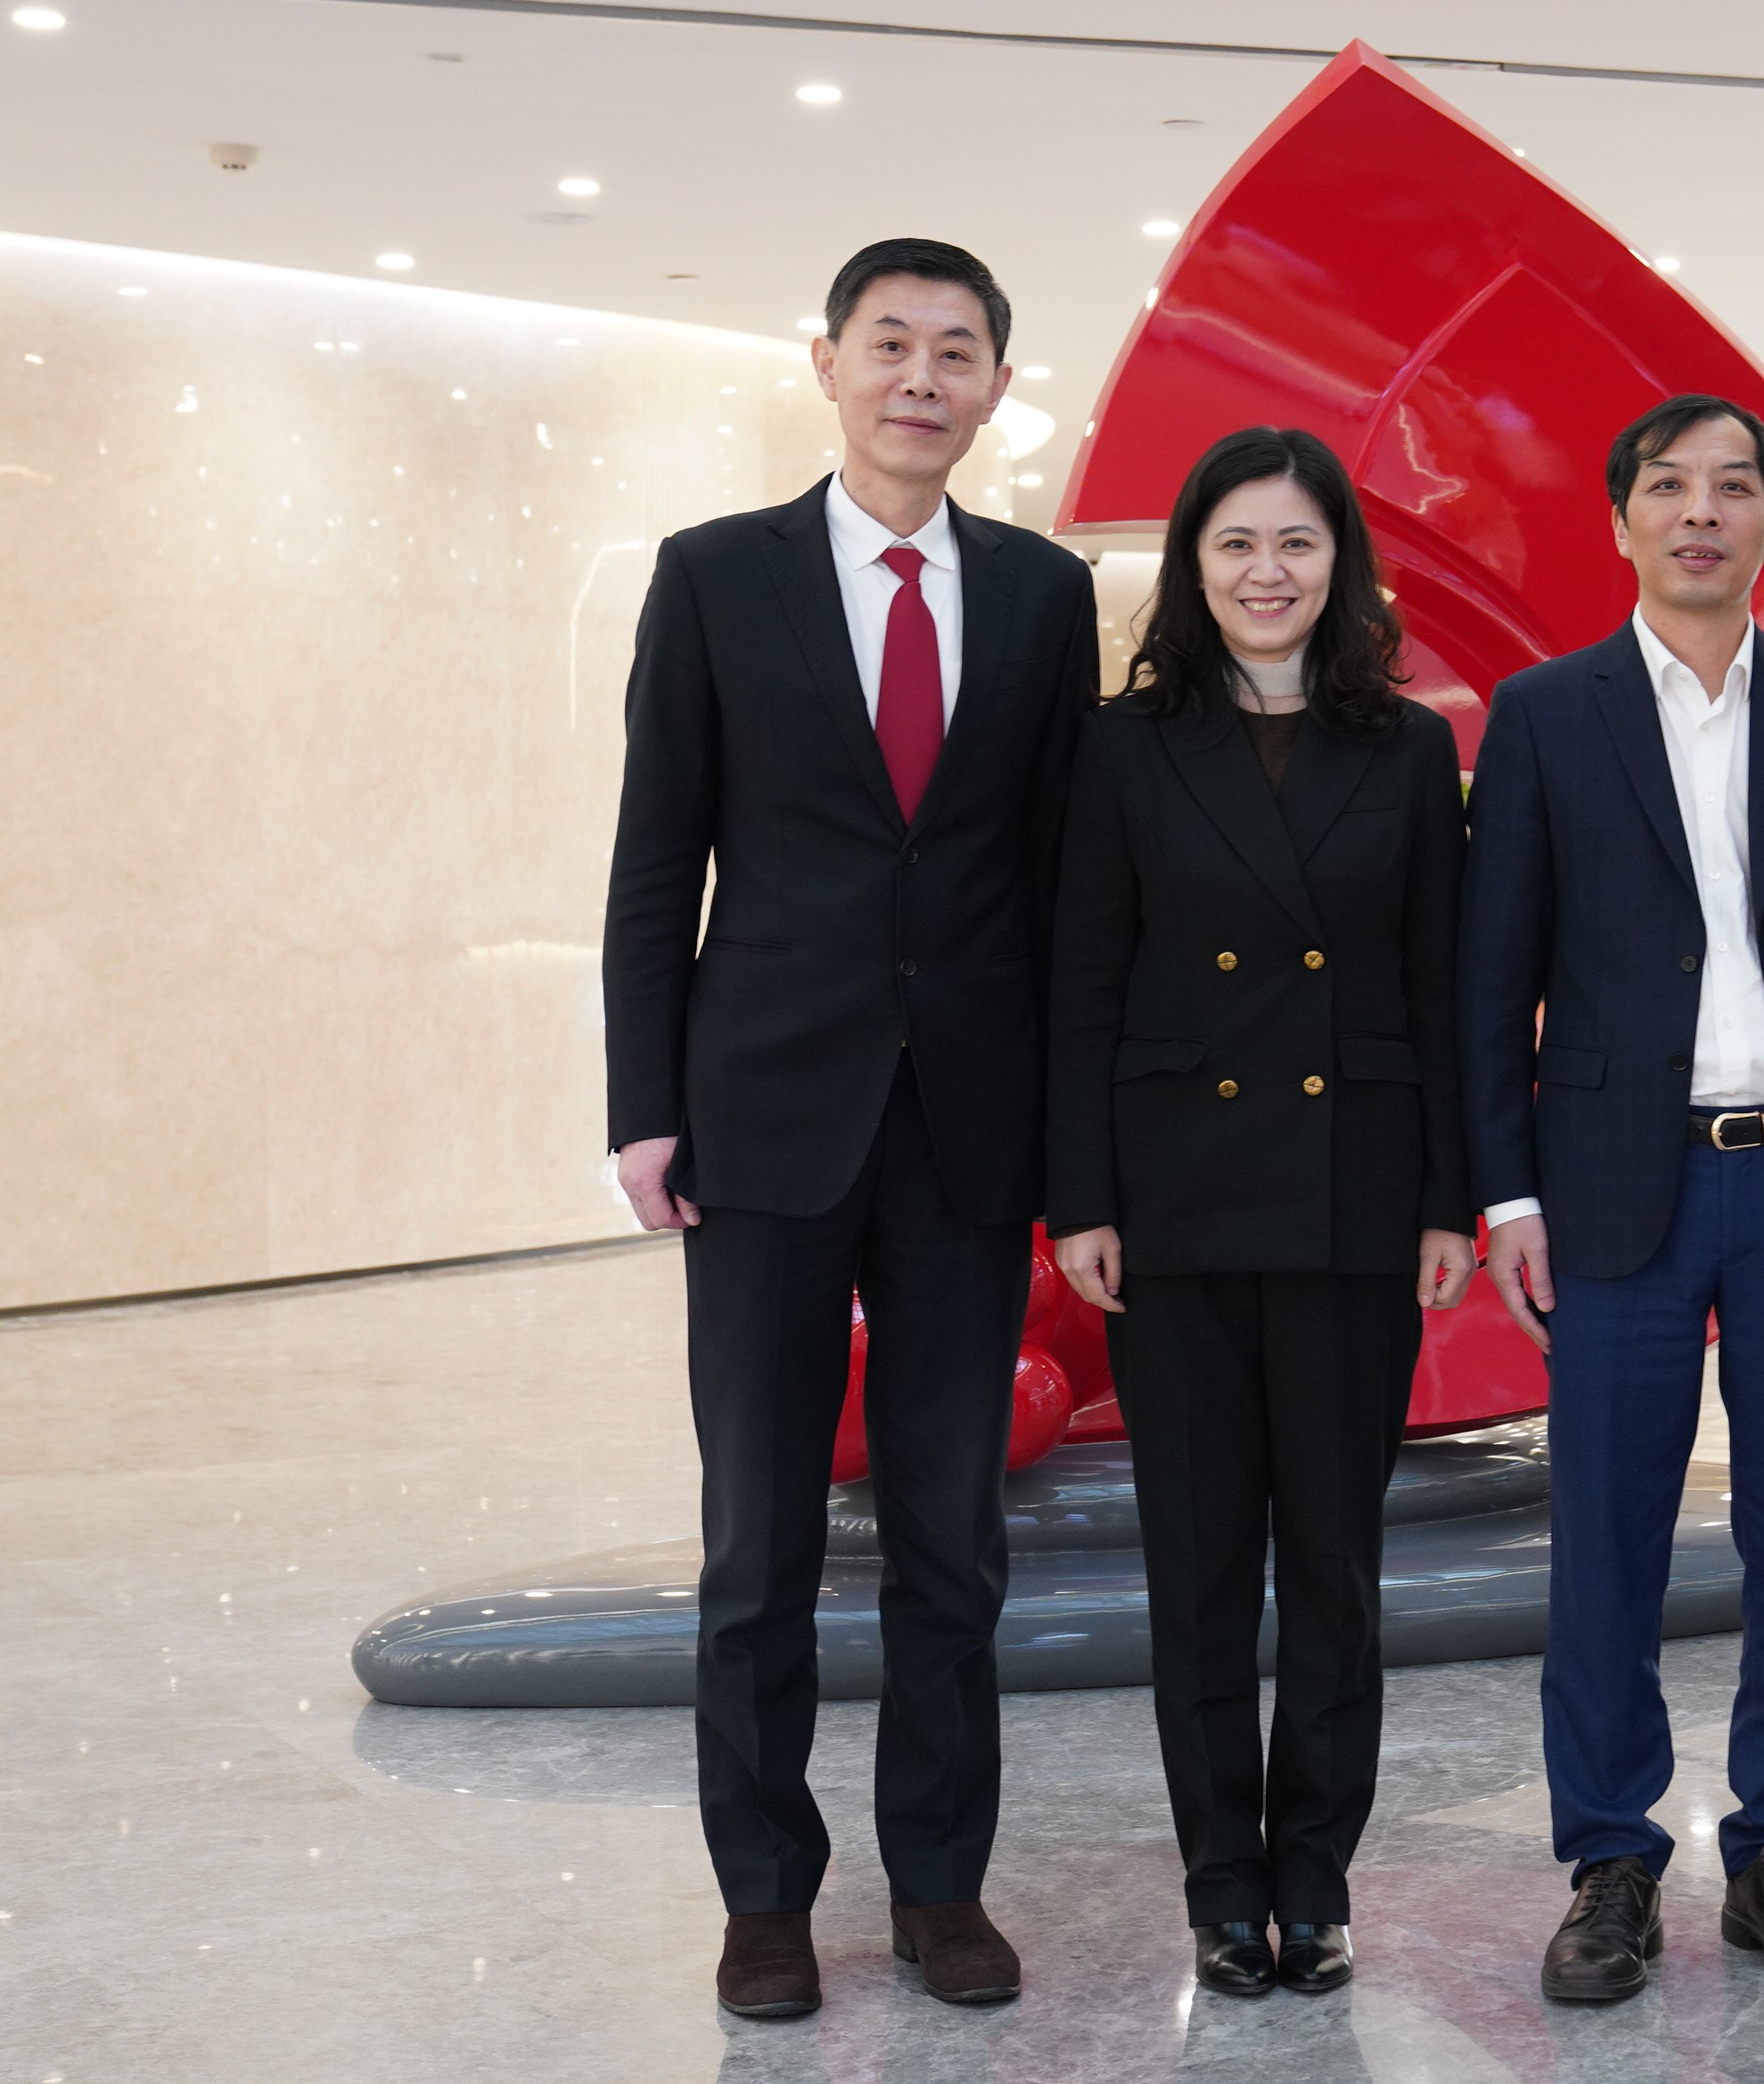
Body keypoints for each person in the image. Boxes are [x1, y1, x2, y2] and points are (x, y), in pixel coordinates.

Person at [600, 238, 1097, 2019]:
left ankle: (940, 1885)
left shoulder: (1041, 595)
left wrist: (1075, 1139)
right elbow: (656, 858)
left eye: (956, 352)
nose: (920, 378)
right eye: (891, 343)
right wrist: (642, 1105)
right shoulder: (715, 574)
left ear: (995, 390)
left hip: (968, 1128)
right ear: (828, 363)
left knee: (954, 1540)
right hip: (764, 1117)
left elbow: (1062, 883)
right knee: (758, 1543)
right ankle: (764, 1897)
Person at [1458, 394, 1764, 2004]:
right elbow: (1490, 975)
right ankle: (1610, 1854)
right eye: (1668, 486)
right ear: (1623, 520)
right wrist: (1505, 1192)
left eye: (1735, 488)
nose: (1702, 513)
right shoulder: (1546, 713)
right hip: (1609, 1185)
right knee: (1606, 1538)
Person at [1045, 427, 1474, 2000]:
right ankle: (1223, 1883)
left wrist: (1448, 1197)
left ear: (1339, 562)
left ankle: (1318, 1875)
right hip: (1177, 1197)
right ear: (1193, 566)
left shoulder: (1407, 746)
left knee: (1338, 1569)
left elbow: (1441, 989)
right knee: (1201, 1565)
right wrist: (1080, 1195)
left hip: (1357, 1194)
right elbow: (1081, 983)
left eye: (1297, 541)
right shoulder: (1123, 745)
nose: (1267, 571)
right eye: (1235, 543)